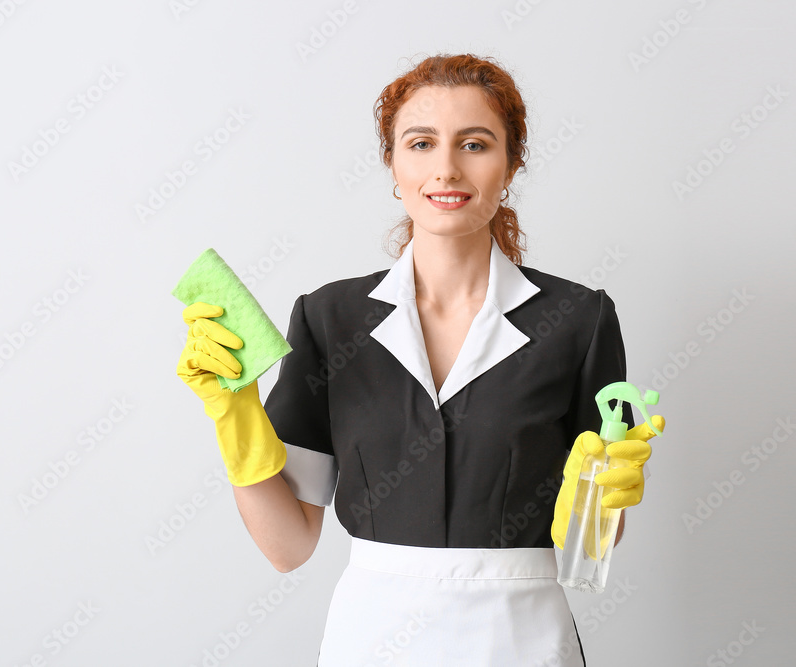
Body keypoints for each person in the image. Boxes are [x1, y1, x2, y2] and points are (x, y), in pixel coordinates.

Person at [177, 53, 664, 666]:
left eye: (475, 144)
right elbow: (287, 547)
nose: (446, 169)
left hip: (520, 639)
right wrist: (233, 413)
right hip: (373, 639)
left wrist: (603, 504)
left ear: (511, 163)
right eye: (421, 143)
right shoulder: (330, 319)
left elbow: (587, 550)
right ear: (392, 162)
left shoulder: (578, 320)